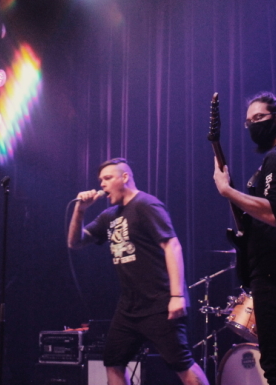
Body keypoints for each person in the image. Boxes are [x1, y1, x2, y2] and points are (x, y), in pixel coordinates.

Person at [68, 158, 209, 385]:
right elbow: (75, 242)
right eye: (100, 180)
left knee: (182, 363)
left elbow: (172, 246)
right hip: (129, 307)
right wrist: (80, 210)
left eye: (107, 178)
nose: (102, 184)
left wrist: (177, 296)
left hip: (159, 303)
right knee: (113, 362)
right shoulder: (109, 216)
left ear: (125, 178)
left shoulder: (146, 205)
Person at [212, 91, 276, 385]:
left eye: (259, 118)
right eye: (248, 122)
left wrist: (228, 191)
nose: (253, 125)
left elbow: (273, 212)